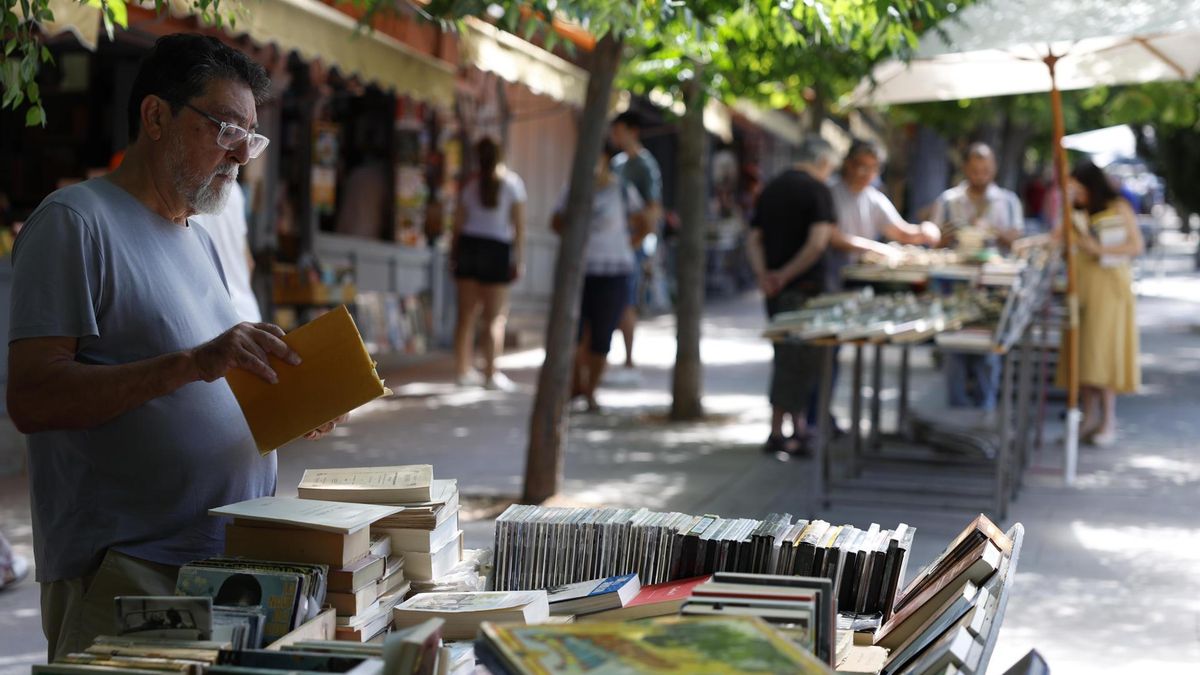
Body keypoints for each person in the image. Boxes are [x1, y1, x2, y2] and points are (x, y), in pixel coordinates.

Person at [6, 34, 343, 660]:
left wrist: (292, 400)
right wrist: (192, 364)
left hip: (222, 563)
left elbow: (207, 384)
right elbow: (33, 397)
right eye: (224, 128)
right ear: (155, 116)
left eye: (251, 136)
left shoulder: (199, 235)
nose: (241, 154)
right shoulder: (76, 223)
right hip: (127, 571)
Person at [746, 137, 840, 454]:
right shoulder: (818, 190)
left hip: (776, 289)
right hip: (805, 290)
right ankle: (792, 431)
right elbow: (817, 244)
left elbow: (753, 239)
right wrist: (785, 275)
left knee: (784, 357)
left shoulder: (771, 188)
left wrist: (765, 276)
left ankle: (781, 429)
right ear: (823, 161)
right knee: (800, 362)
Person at [553, 147, 651, 411]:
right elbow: (556, 221)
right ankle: (577, 386)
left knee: (601, 336)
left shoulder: (621, 189)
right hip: (580, 271)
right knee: (573, 334)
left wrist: (628, 245)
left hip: (614, 272)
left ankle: (590, 391)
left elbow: (645, 222)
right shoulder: (572, 189)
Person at [930, 143, 1024, 412]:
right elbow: (935, 240)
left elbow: (1016, 240)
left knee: (988, 354)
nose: (980, 174)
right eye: (975, 169)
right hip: (954, 284)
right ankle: (957, 413)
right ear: (966, 169)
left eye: (985, 169)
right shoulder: (949, 201)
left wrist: (993, 230)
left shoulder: (1007, 201)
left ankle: (985, 411)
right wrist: (950, 235)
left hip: (993, 286)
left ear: (993, 169)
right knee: (954, 352)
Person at [1058, 160, 1143, 446]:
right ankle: (1089, 416)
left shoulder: (1118, 206)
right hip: (1083, 288)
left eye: (1079, 188)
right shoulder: (1075, 213)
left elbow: (1136, 245)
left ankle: (1108, 419)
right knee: (1083, 354)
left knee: (1104, 352)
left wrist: (1099, 249)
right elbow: (1057, 239)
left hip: (1110, 289)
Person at [450, 137, 526, 391]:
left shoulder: (469, 186)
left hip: (470, 248)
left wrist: (453, 254)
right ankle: (491, 373)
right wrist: (519, 258)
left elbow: (457, 225)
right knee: (494, 317)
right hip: (496, 250)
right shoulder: (513, 184)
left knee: (466, 317)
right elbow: (519, 227)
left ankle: (463, 370)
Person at [825, 139, 941, 288]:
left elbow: (901, 232)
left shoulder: (874, 198)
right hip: (830, 275)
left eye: (873, 168)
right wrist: (877, 248)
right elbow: (833, 237)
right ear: (848, 163)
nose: (867, 174)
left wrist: (925, 230)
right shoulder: (828, 191)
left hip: (860, 278)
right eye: (863, 166)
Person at [609, 111, 664, 383]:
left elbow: (652, 212)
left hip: (633, 243)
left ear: (632, 131)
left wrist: (635, 244)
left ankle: (629, 361)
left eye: (618, 129)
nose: (614, 135)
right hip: (613, 242)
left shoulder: (645, 166)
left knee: (627, 300)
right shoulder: (617, 164)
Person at [192, 180, 262, 323]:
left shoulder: (187, 192)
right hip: (248, 314)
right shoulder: (232, 187)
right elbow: (249, 263)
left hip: (216, 321)